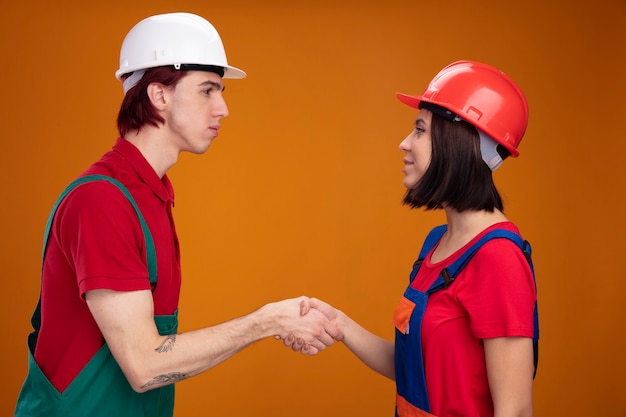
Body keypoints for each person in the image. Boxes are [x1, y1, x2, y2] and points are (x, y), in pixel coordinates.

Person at [14, 12, 339, 417]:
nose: (223, 108)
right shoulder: (102, 201)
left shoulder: (151, 195)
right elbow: (145, 365)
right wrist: (267, 321)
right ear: (159, 95)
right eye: (207, 90)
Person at [292, 61, 539, 417]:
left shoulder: (497, 257)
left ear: (461, 143)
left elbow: (514, 411)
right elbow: (416, 368)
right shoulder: (437, 243)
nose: (404, 143)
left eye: (420, 130)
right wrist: (340, 325)